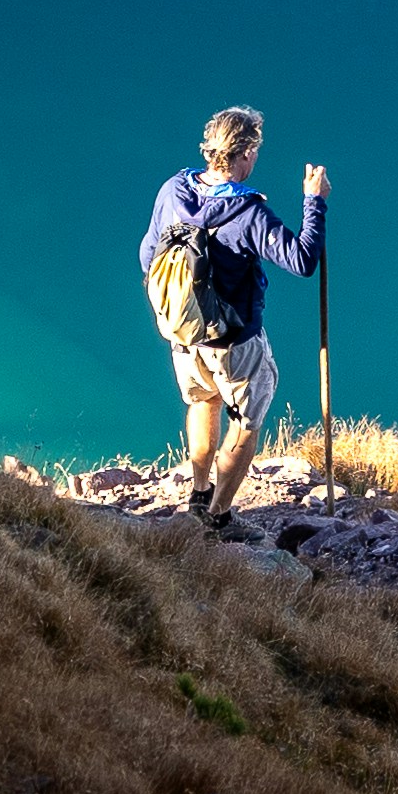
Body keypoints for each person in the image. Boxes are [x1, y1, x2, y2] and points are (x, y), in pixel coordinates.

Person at [139, 107, 323, 522]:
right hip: (234, 343)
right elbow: (302, 260)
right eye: (254, 149)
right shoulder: (247, 213)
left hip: (184, 335)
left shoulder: (173, 190)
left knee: (203, 402)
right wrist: (314, 201)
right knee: (245, 423)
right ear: (245, 152)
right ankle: (219, 519)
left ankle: (199, 494)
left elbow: (148, 254)